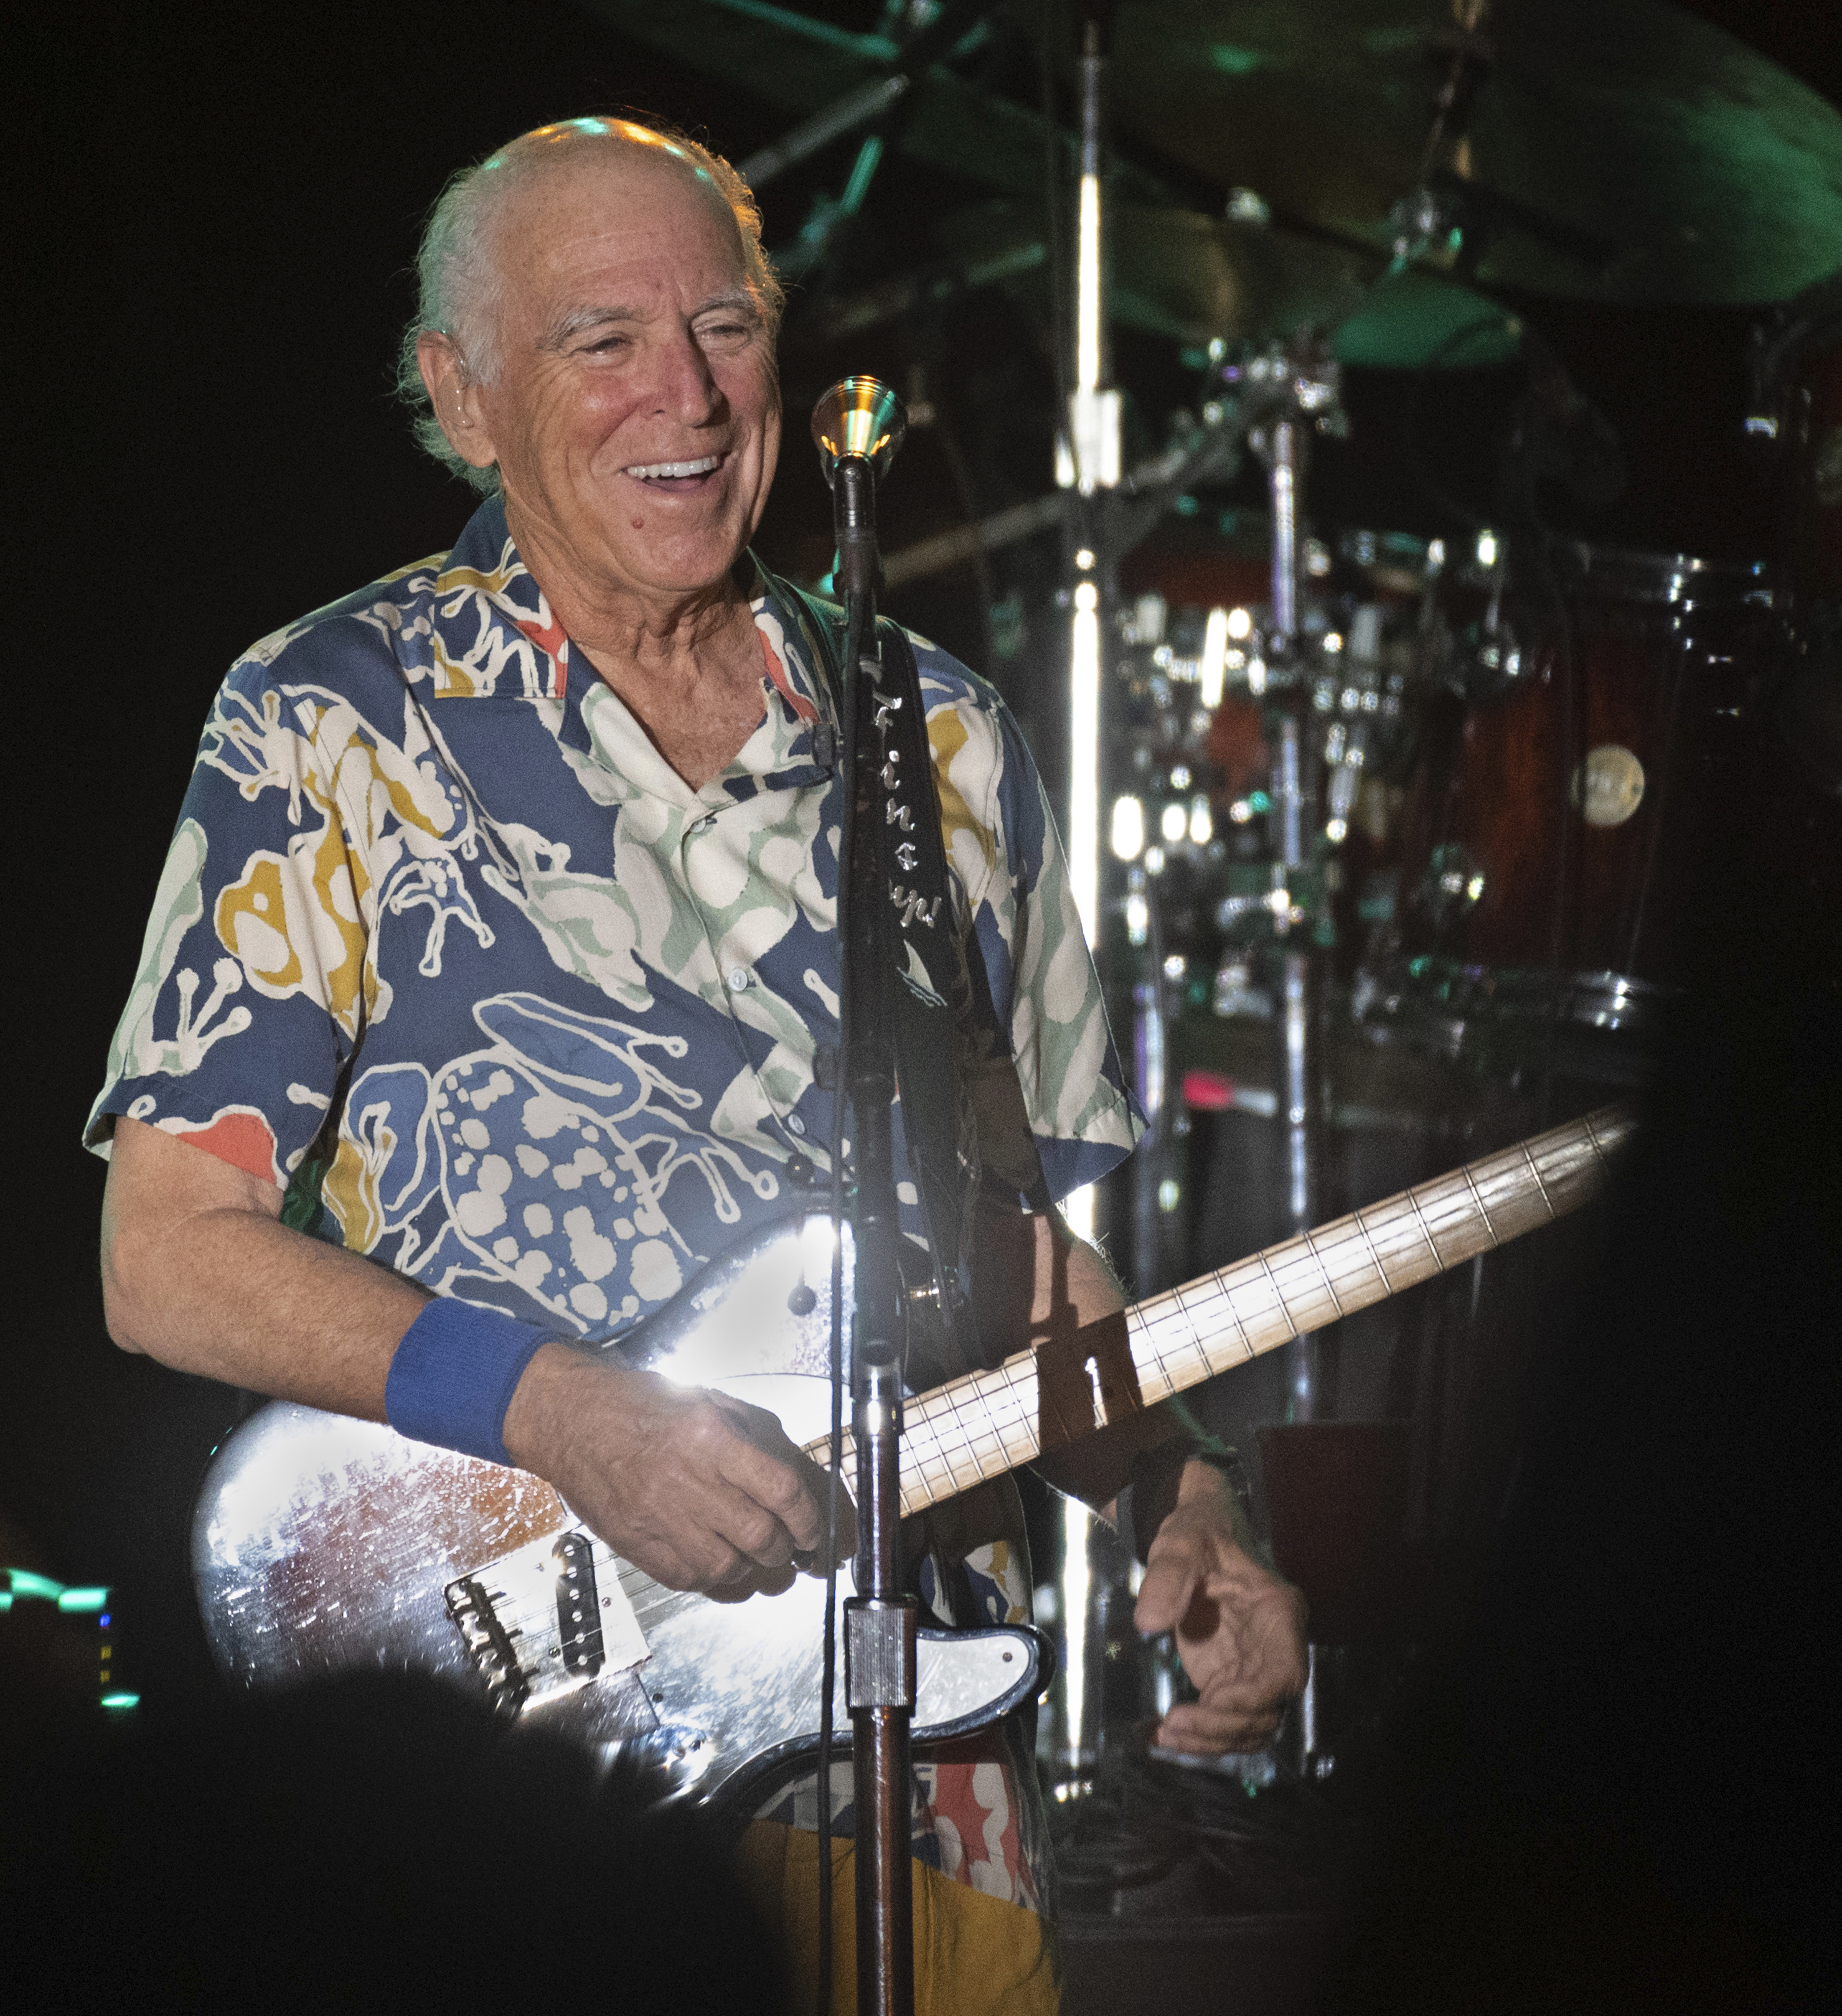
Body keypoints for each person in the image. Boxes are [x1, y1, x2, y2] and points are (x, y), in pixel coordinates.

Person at [90, 117, 1306, 2013]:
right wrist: (570, 1411)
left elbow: (1001, 1260)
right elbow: (164, 1254)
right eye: (601, 340)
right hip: (509, 1778)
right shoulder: (331, 718)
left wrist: (1185, 1495)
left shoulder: (950, 747)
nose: (686, 391)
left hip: (912, 1774)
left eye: (725, 327)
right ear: (462, 396)